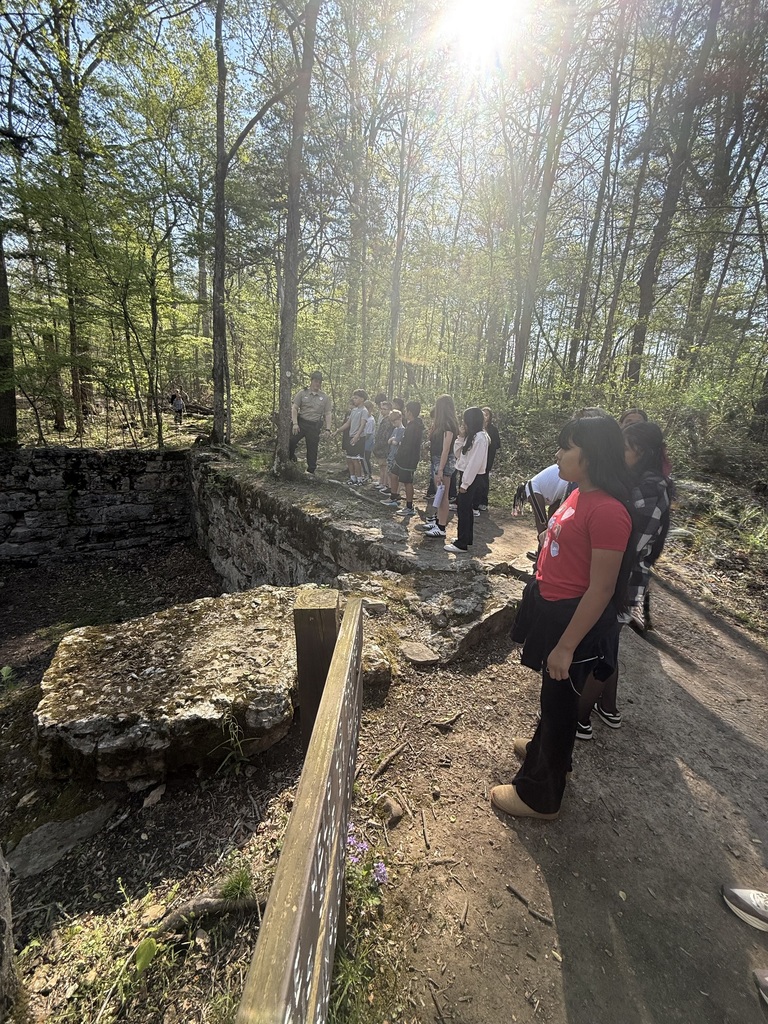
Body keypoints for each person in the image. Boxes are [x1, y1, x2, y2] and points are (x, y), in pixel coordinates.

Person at [490, 416, 632, 819]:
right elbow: (566, 541)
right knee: (556, 701)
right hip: (554, 612)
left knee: (559, 704)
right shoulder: (578, 493)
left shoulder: (608, 510)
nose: (556, 455)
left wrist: (567, 646)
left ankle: (541, 796)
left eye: (565, 448)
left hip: (575, 623)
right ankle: (543, 749)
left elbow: (602, 589)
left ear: (589, 456)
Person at [576, 420, 673, 738]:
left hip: (622, 583)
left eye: (626, 449)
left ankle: (579, 717)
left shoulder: (651, 489)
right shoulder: (638, 481)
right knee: (609, 643)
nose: (620, 454)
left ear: (641, 452)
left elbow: (631, 543)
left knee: (602, 649)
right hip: (617, 579)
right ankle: (609, 707)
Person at [444, 407, 489, 553]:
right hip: (465, 474)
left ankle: (461, 543)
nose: (463, 424)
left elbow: (474, 464)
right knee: (465, 508)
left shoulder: (481, 438)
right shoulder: (472, 436)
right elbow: (458, 454)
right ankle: (465, 538)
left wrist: (465, 483)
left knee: (463, 509)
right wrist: (461, 437)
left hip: (472, 477)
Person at [423, 395, 460, 539]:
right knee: (439, 493)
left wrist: (440, 470)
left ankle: (442, 527)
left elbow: (446, 449)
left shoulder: (448, 426)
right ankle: (437, 521)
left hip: (443, 462)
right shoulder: (439, 425)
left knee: (443, 495)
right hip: (437, 460)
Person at [382, 400, 423, 516]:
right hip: (401, 458)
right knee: (394, 475)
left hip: (409, 460)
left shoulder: (415, 426)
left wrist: (402, 454)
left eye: (406, 410)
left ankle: (409, 507)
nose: (404, 412)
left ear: (409, 412)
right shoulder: (410, 424)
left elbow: (409, 445)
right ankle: (394, 498)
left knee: (407, 482)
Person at [290, 371, 332, 476]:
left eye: (319, 382)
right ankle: (291, 459)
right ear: (311, 381)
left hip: (314, 425)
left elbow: (328, 413)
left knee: (312, 448)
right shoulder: (302, 393)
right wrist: (295, 423)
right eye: (316, 381)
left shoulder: (325, 397)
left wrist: (328, 429)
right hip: (301, 422)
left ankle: (311, 471)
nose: (317, 384)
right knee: (290, 441)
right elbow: (295, 407)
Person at [336, 389, 368, 484]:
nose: (354, 399)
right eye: (353, 398)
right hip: (351, 436)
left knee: (356, 459)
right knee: (349, 458)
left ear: (362, 399)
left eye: (356, 398)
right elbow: (348, 423)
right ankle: (352, 477)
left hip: (359, 438)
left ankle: (359, 479)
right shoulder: (354, 410)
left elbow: (362, 425)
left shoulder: (364, 411)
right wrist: (338, 430)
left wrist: (357, 436)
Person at [474, 407, 501, 512]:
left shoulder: (493, 429)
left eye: (487, 415)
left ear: (490, 417)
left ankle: (483, 501)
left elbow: (498, 444)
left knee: (484, 478)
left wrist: (488, 443)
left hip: (488, 457)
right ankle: (474, 500)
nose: (485, 417)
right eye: (483, 414)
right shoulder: (476, 428)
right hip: (478, 456)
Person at [373, 399, 394, 490]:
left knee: (384, 466)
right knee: (381, 465)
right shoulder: (383, 419)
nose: (382, 410)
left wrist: (382, 444)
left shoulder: (389, 420)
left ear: (389, 410)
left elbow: (385, 435)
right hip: (379, 446)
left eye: (385, 409)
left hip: (385, 446)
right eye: (381, 409)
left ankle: (385, 484)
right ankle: (381, 482)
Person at [362, 401, 377, 481]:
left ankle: (368, 474)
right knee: (363, 458)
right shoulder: (365, 418)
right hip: (365, 441)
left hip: (367, 442)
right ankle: (366, 474)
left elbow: (368, 434)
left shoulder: (370, 420)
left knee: (365, 458)